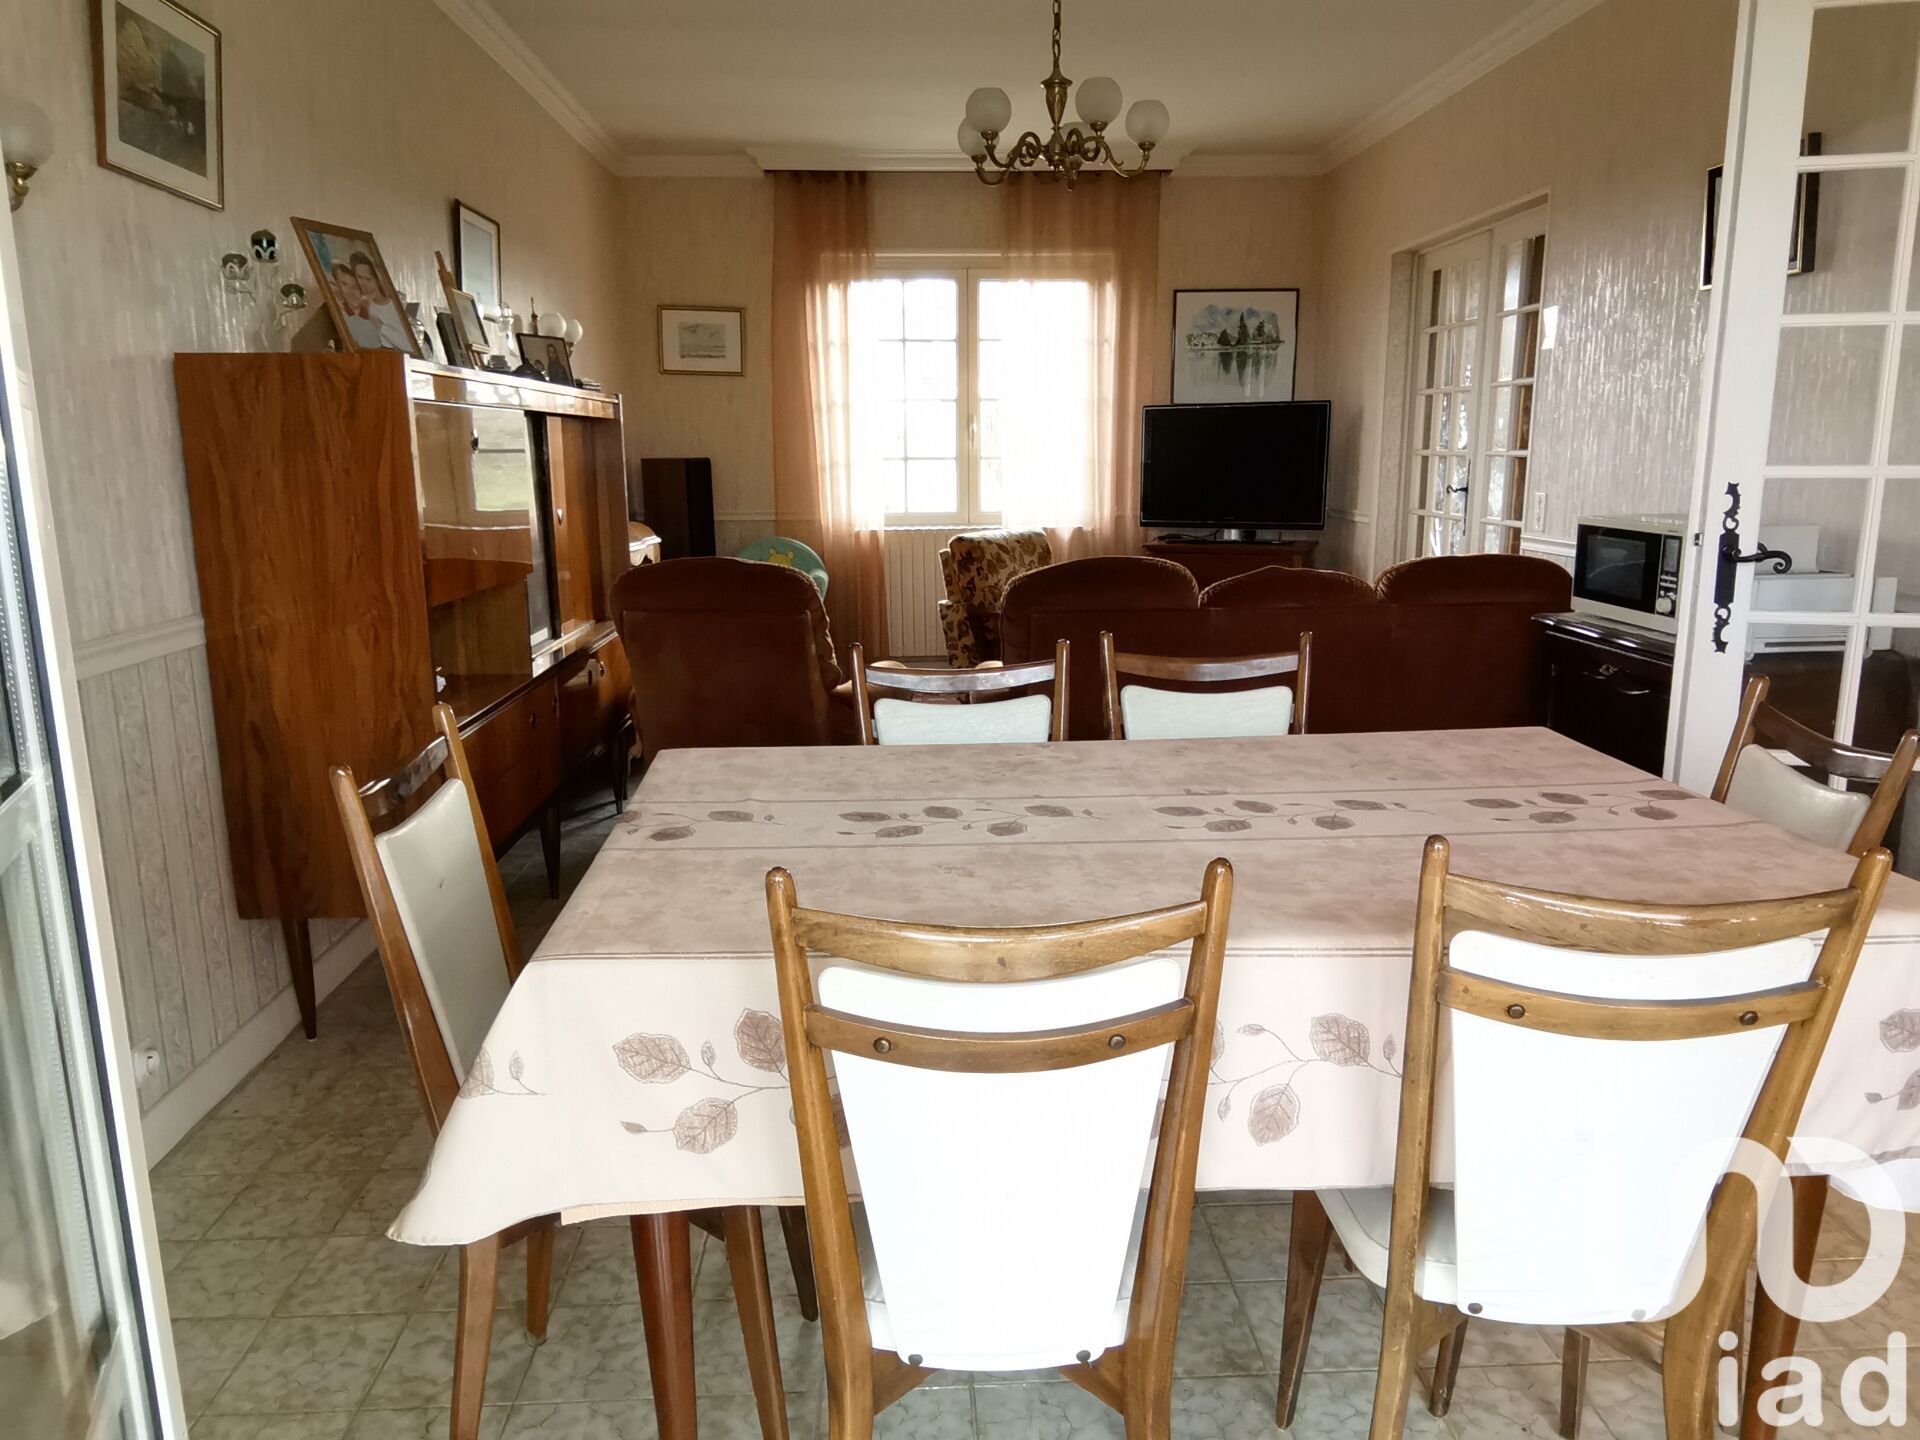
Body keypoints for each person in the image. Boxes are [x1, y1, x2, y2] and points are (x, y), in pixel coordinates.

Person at [351, 252, 414, 351]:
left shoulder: (396, 306)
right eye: (359, 277)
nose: (363, 283)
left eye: (368, 279)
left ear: (378, 280)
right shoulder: (359, 306)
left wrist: (380, 326)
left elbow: (409, 346)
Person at [330, 262, 385, 349]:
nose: (349, 291)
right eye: (343, 284)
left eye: (355, 287)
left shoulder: (375, 317)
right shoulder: (336, 314)